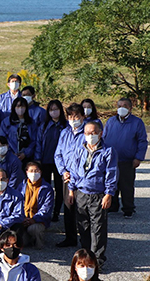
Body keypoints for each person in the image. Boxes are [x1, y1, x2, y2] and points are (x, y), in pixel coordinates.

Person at [67, 122, 117, 266]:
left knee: (98, 228)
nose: (91, 136)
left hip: (98, 194)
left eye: (94, 133)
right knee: (83, 226)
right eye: (88, 133)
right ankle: (85, 257)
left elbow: (111, 174)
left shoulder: (108, 151)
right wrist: (71, 190)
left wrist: (109, 194)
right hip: (81, 193)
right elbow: (74, 171)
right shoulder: (79, 150)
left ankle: (97, 261)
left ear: (100, 134)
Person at [103, 97, 147, 218]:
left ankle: (128, 208)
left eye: (125, 106)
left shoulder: (137, 122)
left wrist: (138, 158)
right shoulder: (111, 121)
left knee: (126, 186)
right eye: (120, 106)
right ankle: (113, 205)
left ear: (130, 108)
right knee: (112, 184)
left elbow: (142, 141)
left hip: (128, 161)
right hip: (111, 160)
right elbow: (104, 138)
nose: (122, 108)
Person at [54, 103, 86, 248]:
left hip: (82, 178)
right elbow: (58, 154)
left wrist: (74, 174)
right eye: (71, 116)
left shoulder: (87, 133)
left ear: (83, 117)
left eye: (77, 116)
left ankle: (86, 239)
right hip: (66, 177)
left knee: (82, 209)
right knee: (68, 208)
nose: (74, 119)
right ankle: (70, 238)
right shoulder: (65, 132)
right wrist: (63, 172)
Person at [41, 100, 66, 221]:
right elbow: (38, 142)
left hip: (60, 163)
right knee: (45, 187)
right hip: (46, 160)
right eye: (51, 110)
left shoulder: (66, 126)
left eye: (56, 109)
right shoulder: (44, 125)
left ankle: (56, 212)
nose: (54, 112)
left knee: (59, 188)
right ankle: (46, 211)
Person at [20, 162, 54, 248]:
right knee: (21, 240)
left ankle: (39, 242)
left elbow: (46, 208)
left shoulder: (47, 188)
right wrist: (23, 218)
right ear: (26, 172)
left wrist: (34, 219)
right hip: (23, 219)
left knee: (34, 229)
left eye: (36, 171)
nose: (34, 173)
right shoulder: (22, 186)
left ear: (41, 172)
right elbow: (18, 204)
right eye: (31, 171)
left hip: (38, 220)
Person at [0, 96, 39, 161]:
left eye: (23, 106)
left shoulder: (31, 122)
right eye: (18, 106)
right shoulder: (6, 122)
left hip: (27, 157)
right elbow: (2, 139)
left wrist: (25, 153)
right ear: (14, 108)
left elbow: (34, 140)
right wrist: (10, 153)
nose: (20, 108)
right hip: (10, 156)